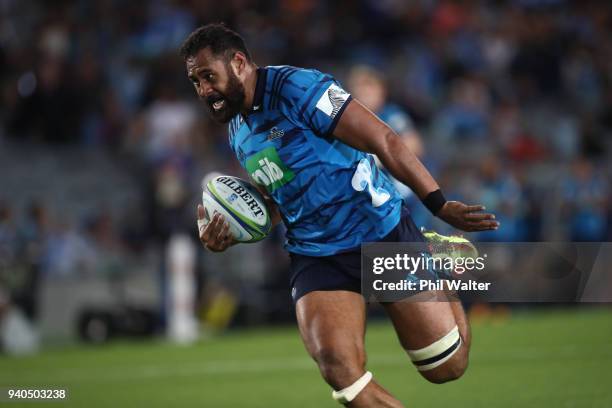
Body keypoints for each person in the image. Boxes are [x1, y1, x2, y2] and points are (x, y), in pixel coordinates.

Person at [181, 24, 499, 407]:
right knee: (338, 369)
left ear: (238, 63)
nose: (203, 90)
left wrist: (439, 204)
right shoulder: (237, 127)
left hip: (377, 232)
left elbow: (382, 138)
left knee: (446, 367)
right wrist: (236, 227)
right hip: (317, 255)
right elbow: (283, 194)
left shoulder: (300, 88)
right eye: (195, 81)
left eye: (208, 76)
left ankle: (434, 264)